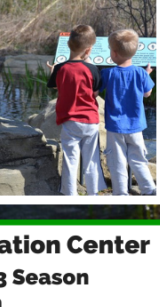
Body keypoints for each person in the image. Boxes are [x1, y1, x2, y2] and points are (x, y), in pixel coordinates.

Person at [47, 25, 107, 196]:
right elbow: (95, 92)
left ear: (68, 44)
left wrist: (53, 71)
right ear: (88, 50)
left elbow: (56, 86)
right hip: (90, 121)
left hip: (70, 121)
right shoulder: (93, 69)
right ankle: (93, 194)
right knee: (91, 160)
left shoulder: (60, 68)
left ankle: (70, 194)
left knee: (70, 159)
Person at [100, 29, 156, 196]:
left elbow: (95, 91)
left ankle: (120, 194)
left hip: (115, 127)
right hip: (136, 127)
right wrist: (147, 74)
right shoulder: (140, 73)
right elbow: (147, 93)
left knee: (117, 162)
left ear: (114, 54)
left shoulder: (107, 73)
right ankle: (149, 189)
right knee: (139, 160)